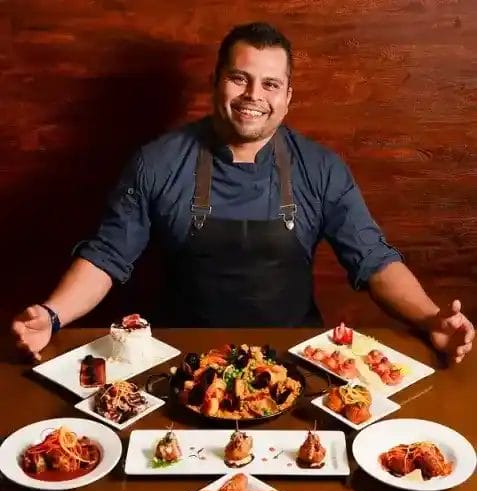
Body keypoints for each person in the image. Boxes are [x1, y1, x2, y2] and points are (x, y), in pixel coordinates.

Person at [11, 22, 474, 363]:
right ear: (217, 82)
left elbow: (374, 261)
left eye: (270, 84)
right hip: (181, 361)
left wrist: (432, 320)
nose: (254, 94)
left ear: (288, 96)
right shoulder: (157, 161)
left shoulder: (321, 168)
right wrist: (51, 316)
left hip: (293, 363)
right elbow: (108, 256)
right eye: (240, 78)